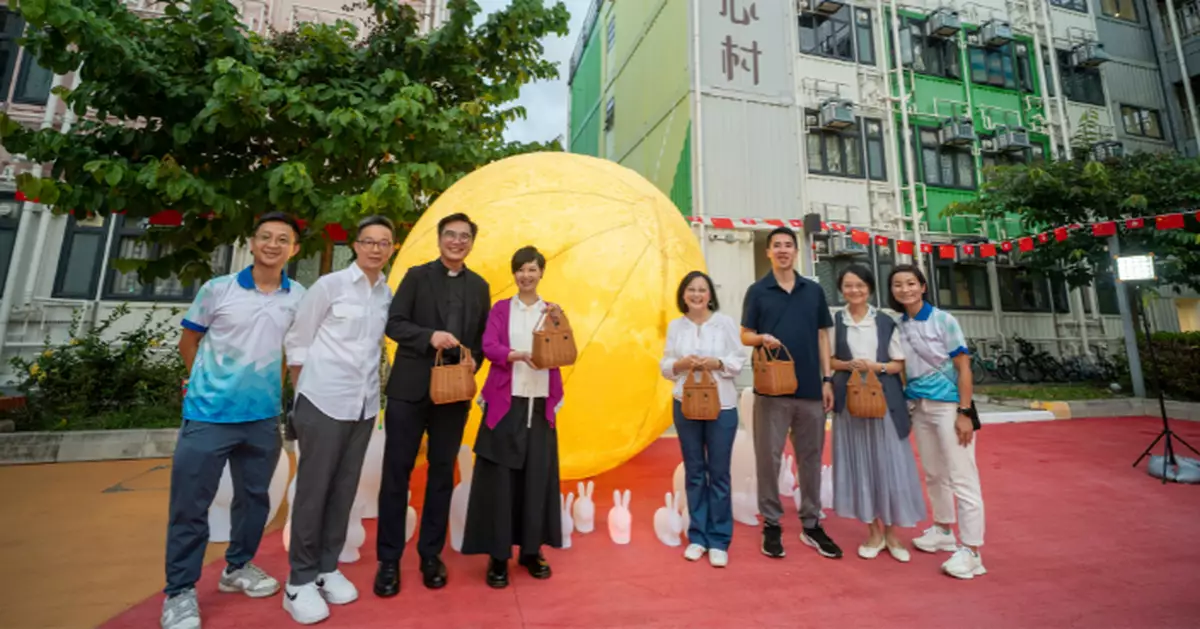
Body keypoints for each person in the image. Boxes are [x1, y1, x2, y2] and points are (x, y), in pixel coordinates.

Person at [161, 212, 305, 629]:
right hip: (208, 416)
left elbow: (290, 352)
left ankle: (237, 567)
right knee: (190, 505)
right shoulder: (217, 290)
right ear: (252, 243)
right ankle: (179, 592)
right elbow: (189, 341)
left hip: (262, 419)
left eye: (283, 239)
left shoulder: (299, 296)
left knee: (255, 500)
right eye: (266, 237)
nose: (273, 245)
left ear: (293, 249)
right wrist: (201, 383)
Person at [281, 216, 396, 623]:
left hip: (363, 405)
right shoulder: (329, 286)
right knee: (313, 492)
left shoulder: (386, 294)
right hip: (322, 401)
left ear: (392, 249)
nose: (376, 249)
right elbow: (298, 340)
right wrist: (302, 396)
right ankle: (299, 580)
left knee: (343, 490)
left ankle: (327, 568)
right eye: (369, 241)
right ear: (356, 245)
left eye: (384, 242)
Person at [374, 212, 490, 596]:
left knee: (442, 473)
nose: (457, 241)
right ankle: (388, 561)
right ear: (439, 239)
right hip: (409, 390)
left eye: (464, 236)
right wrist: (430, 336)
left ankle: (430, 555)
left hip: (453, 393)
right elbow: (394, 324)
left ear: (472, 242)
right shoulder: (415, 276)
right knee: (397, 473)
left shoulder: (480, 286)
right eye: (451, 235)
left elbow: (480, 339)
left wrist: (475, 360)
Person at [462, 246, 564, 588]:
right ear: (514, 273)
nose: (526, 275)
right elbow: (489, 346)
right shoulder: (501, 309)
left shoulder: (553, 311)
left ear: (541, 273)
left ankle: (532, 552)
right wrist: (518, 354)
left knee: (537, 479)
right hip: (506, 404)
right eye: (521, 269)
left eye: (532, 269)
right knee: (500, 482)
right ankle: (498, 555)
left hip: (539, 405)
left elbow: (563, 350)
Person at [739, 226, 841, 560]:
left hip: (811, 388)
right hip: (771, 390)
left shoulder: (812, 291)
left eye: (788, 245)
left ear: (796, 251)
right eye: (776, 246)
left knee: (810, 458)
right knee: (768, 458)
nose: (783, 250)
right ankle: (771, 522)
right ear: (768, 252)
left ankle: (812, 523)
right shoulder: (758, 291)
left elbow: (823, 337)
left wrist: (828, 379)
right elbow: (745, 334)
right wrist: (762, 338)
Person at [888, 264, 986, 580]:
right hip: (918, 407)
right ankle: (943, 529)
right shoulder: (899, 326)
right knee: (933, 473)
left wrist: (964, 412)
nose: (905, 289)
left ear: (923, 286)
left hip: (948, 407)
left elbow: (964, 367)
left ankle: (972, 551)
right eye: (898, 285)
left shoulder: (944, 320)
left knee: (963, 477)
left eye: (910, 283)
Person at [827, 264, 925, 563]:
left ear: (869, 288)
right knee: (860, 466)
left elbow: (898, 364)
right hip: (850, 402)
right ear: (841, 289)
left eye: (860, 285)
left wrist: (874, 366)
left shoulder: (885, 322)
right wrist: (850, 365)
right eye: (848, 285)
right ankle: (872, 531)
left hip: (884, 401)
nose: (854, 291)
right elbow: (830, 360)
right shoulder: (835, 321)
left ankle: (893, 534)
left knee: (890, 465)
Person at [660, 271, 745, 568]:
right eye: (691, 290)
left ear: (711, 295)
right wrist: (681, 364)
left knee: (719, 473)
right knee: (694, 471)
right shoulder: (675, 326)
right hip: (686, 405)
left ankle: (720, 539)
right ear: (683, 295)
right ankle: (698, 536)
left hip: (722, 406)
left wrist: (716, 363)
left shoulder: (724, 324)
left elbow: (738, 360)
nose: (697, 295)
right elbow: (665, 365)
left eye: (702, 290)